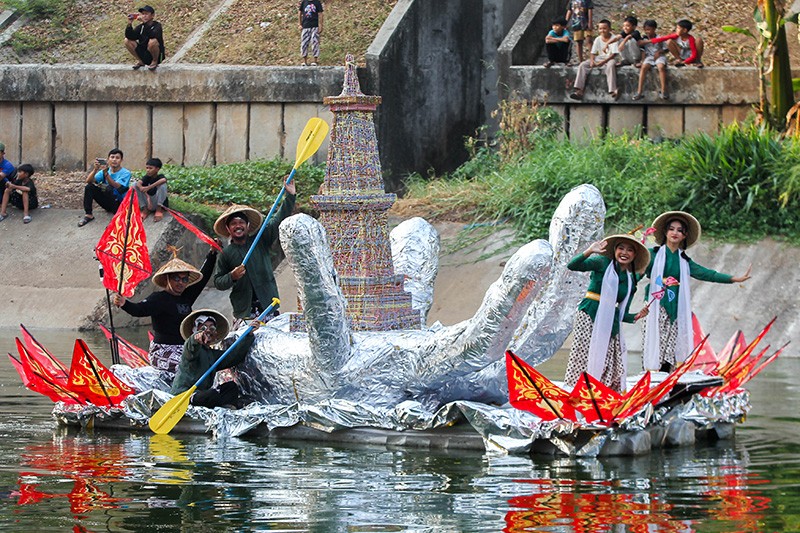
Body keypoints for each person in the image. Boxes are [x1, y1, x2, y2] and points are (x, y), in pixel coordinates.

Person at [643, 211, 751, 373]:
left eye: (680, 230)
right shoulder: (652, 255)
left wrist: (734, 279)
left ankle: (668, 379)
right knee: (656, 343)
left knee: (671, 348)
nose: (675, 233)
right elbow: (635, 273)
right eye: (671, 229)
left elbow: (707, 274)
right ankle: (652, 378)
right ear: (665, 232)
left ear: (684, 235)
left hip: (676, 307)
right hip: (655, 305)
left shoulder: (684, 261)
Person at [113, 247, 218, 380]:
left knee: (207, 363)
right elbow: (139, 310)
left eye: (184, 279)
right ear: (167, 279)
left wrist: (212, 255)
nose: (181, 283)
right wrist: (124, 303)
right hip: (164, 351)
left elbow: (203, 279)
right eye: (176, 279)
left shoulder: (186, 297)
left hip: (185, 347)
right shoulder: (159, 299)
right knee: (188, 367)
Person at [564, 234, 650, 393]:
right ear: (615, 250)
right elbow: (572, 265)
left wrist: (638, 315)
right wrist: (590, 251)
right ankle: (578, 393)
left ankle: (602, 394)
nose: (624, 253)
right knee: (584, 356)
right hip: (589, 313)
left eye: (630, 250)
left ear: (634, 255)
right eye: (621, 248)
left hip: (611, 321)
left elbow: (623, 314)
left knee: (610, 360)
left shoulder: (630, 281)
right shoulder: (602, 262)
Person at [214, 178, 295, 327]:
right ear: (228, 229)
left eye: (241, 222)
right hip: (244, 310)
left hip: (268, 305)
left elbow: (277, 219)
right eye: (233, 224)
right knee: (246, 341)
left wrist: (290, 196)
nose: (238, 226)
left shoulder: (261, 240)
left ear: (248, 225)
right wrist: (232, 276)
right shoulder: (226, 253)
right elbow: (218, 282)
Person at [170, 309, 256, 409]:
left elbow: (232, 357)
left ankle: (227, 410)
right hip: (185, 395)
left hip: (203, 393)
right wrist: (196, 339)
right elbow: (191, 347)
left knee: (230, 387)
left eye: (212, 328)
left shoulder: (212, 355)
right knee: (211, 395)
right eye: (203, 328)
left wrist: (248, 335)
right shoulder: (191, 351)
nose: (208, 331)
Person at [79, 148, 132, 227]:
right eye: (112, 157)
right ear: (108, 160)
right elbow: (88, 181)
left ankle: (116, 219)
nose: (114, 160)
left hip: (119, 203)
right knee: (89, 187)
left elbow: (116, 186)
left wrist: (106, 174)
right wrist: (95, 170)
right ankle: (89, 215)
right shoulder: (105, 171)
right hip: (107, 203)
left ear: (121, 160)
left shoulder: (126, 173)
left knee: (109, 188)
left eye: (117, 158)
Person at [569, 20, 619, 101]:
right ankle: (579, 90)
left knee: (611, 65)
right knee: (583, 65)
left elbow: (613, 54)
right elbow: (593, 52)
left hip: (609, 59)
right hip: (599, 58)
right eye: (600, 29)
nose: (602, 31)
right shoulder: (598, 39)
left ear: (610, 29)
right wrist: (592, 61)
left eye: (604, 28)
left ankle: (613, 90)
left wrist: (603, 62)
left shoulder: (614, 38)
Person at [632, 20, 669, 101]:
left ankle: (663, 90)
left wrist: (659, 52)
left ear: (654, 29)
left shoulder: (660, 38)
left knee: (661, 67)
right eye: (646, 30)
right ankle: (639, 91)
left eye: (649, 29)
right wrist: (642, 61)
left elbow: (666, 49)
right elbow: (642, 49)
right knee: (644, 67)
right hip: (649, 57)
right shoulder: (644, 38)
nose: (647, 32)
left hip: (659, 56)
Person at [124, 5, 165, 71]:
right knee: (127, 40)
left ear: (152, 15)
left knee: (153, 41)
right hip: (144, 53)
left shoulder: (157, 25)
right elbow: (130, 36)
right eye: (143, 14)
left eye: (146, 14)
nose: (144, 16)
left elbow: (153, 35)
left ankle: (154, 61)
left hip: (156, 55)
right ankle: (141, 61)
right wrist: (129, 24)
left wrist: (145, 23)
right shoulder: (141, 27)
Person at [299, 0, 324, 66]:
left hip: (315, 26)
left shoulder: (317, 2)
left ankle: (315, 61)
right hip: (305, 26)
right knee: (304, 43)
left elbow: (320, 14)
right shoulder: (304, 2)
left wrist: (320, 25)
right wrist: (300, 24)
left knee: (315, 42)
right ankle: (304, 61)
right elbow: (300, 12)